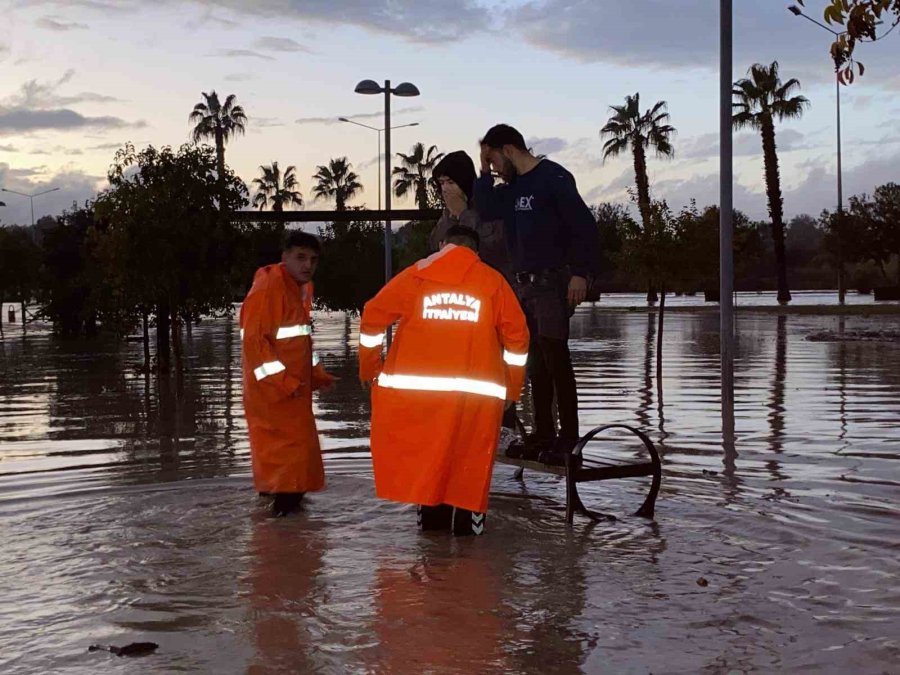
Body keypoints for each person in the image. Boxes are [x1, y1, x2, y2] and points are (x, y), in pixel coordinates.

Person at [358, 225, 529, 535]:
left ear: (441, 245)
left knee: (431, 468)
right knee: (469, 472)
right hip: (476, 403)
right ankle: (466, 559)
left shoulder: (415, 276)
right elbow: (518, 338)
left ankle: (432, 558)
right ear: (476, 252)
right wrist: (512, 387)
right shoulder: (492, 281)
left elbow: (372, 316)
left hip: (420, 401)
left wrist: (370, 369)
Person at [474, 124, 600, 466]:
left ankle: (569, 439)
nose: (496, 167)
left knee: (555, 356)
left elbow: (584, 227)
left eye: (495, 158)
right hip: (524, 285)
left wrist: (580, 273)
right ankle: (544, 432)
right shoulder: (512, 189)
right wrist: (483, 171)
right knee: (535, 363)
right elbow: (484, 209)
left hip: (553, 280)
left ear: (510, 149)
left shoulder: (553, 178)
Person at [240, 231, 336, 517]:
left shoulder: (296, 289)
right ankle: (285, 541)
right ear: (285, 258)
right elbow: (256, 344)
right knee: (289, 474)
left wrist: (316, 374)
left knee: (284, 470)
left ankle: (279, 538)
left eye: (313, 260)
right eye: (301, 258)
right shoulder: (270, 289)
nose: (308, 265)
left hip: (289, 392)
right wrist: (285, 383)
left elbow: (299, 341)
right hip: (275, 396)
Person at [429, 150, 519, 446]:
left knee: (496, 368)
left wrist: (464, 216)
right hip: (459, 311)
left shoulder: (488, 211)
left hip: (494, 304)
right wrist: (452, 217)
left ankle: (507, 423)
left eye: (450, 182)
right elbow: (436, 251)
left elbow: (488, 248)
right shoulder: (445, 219)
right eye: (441, 182)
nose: (445, 189)